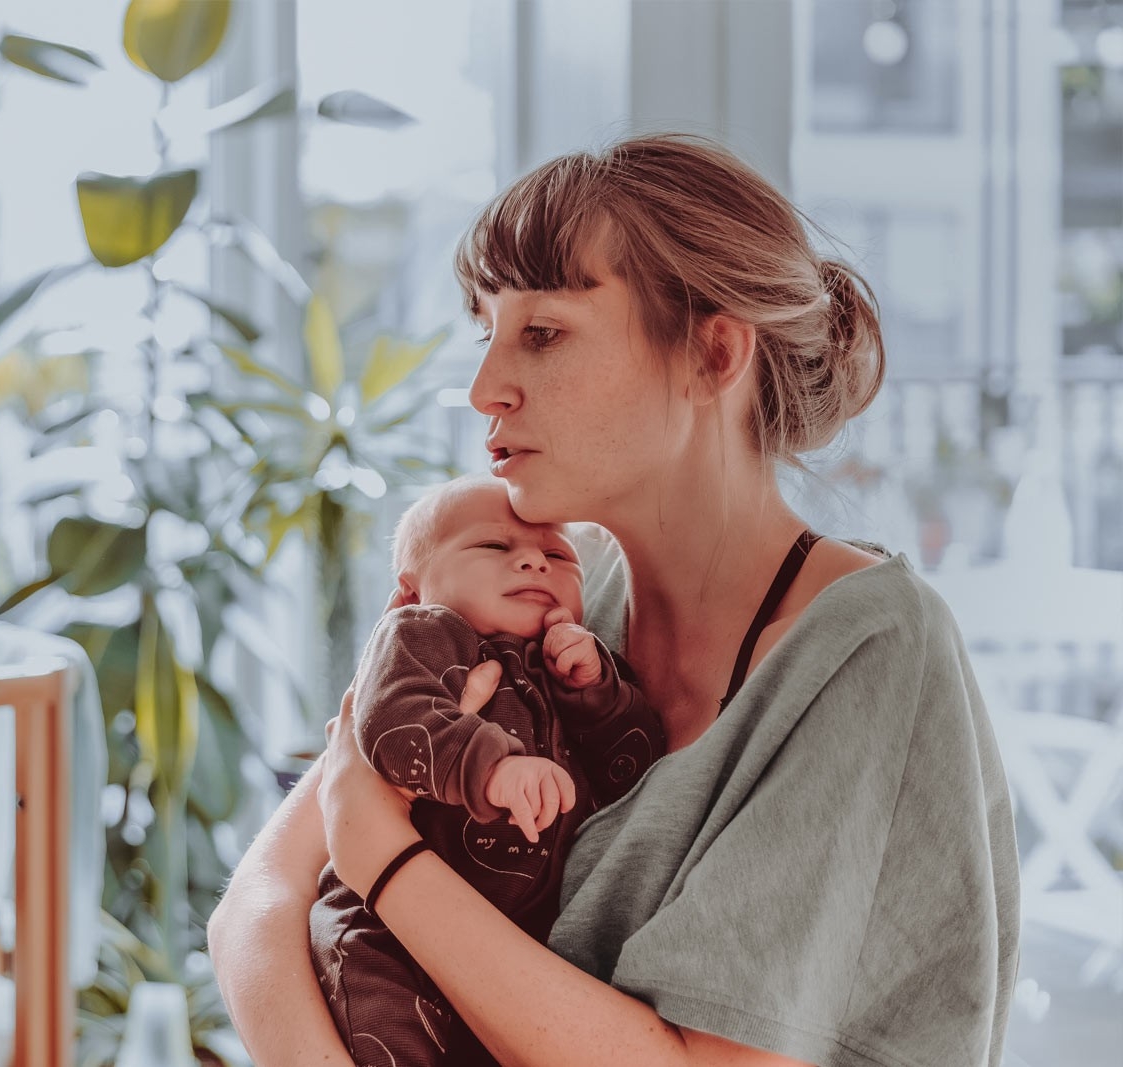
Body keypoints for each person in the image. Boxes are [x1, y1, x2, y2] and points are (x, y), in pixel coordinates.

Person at [207, 133, 1019, 1067]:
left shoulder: (867, 651)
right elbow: (254, 905)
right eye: (489, 332)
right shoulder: (553, 585)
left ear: (712, 355)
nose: (484, 389)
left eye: (542, 333)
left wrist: (380, 856)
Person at [311, 475, 665, 1066]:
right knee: (391, 1033)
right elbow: (390, 724)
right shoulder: (424, 634)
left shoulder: (576, 653)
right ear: (409, 592)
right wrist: (492, 769)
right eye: (493, 548)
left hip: (516, 938)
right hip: (387, 935)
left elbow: (640, 763)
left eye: (557, 555)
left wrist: (598, 697)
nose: (532, 560)